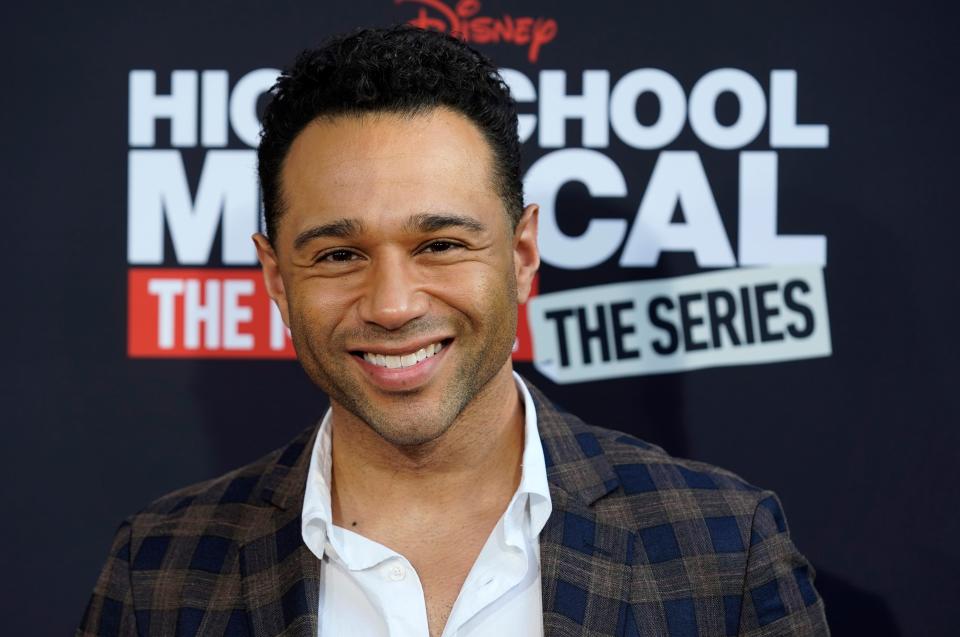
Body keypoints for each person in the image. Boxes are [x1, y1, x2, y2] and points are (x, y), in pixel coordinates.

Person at [79, 26, 829, 637]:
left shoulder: (725, 553)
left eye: (440, 244)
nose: (394, 303)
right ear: (278, 279)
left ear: (521, 254)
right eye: (340, 254)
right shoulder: (160, 573)